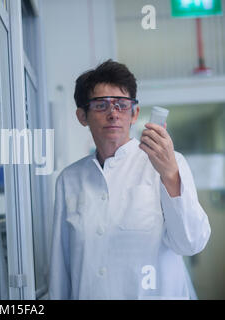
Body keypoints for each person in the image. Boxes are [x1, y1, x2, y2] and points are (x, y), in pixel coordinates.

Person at [48, 60, 211, 300]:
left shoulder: (168, 163)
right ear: (82, 116)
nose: (113, 113)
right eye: (101, 105)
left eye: (122, 105)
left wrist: (169, 174)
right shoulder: (69, 180)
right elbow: (61, 267)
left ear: (134, 113)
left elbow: (191, 243)